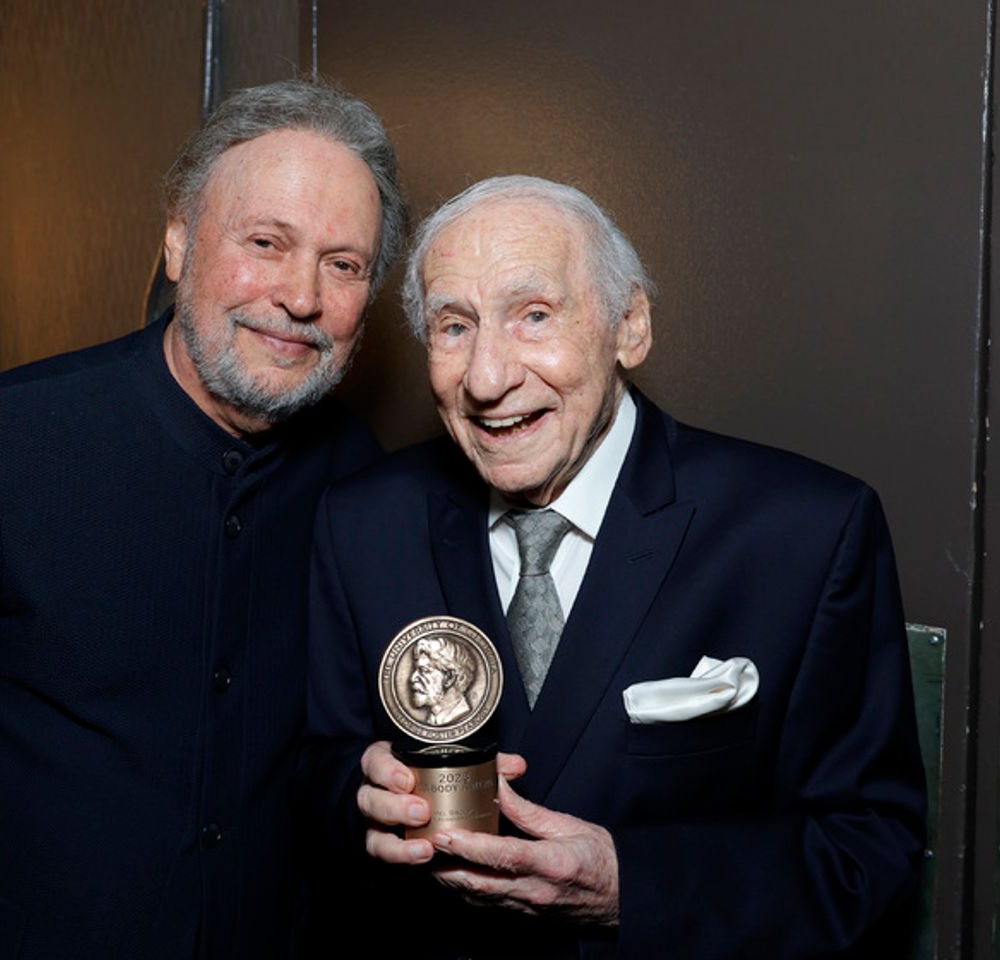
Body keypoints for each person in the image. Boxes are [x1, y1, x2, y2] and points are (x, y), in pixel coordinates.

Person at [0, 80, 406, 958]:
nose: (301, 297)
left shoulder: (361, 482)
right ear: (176, 239)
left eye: (343, 264)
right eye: (266, 242)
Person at [297, 175, 925, 959]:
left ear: (629, 327)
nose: (488, 378)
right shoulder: (363, 521)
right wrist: (365, 801)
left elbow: (870, 850)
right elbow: (318, 768)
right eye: (455, 326)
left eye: (534, 316)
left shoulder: (805, 533)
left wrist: (634, 887)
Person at [410, 636, 477, 726]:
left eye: (424, 670)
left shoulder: (461, 715)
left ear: (450, 678)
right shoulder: (432, 720)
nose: (412, 678)